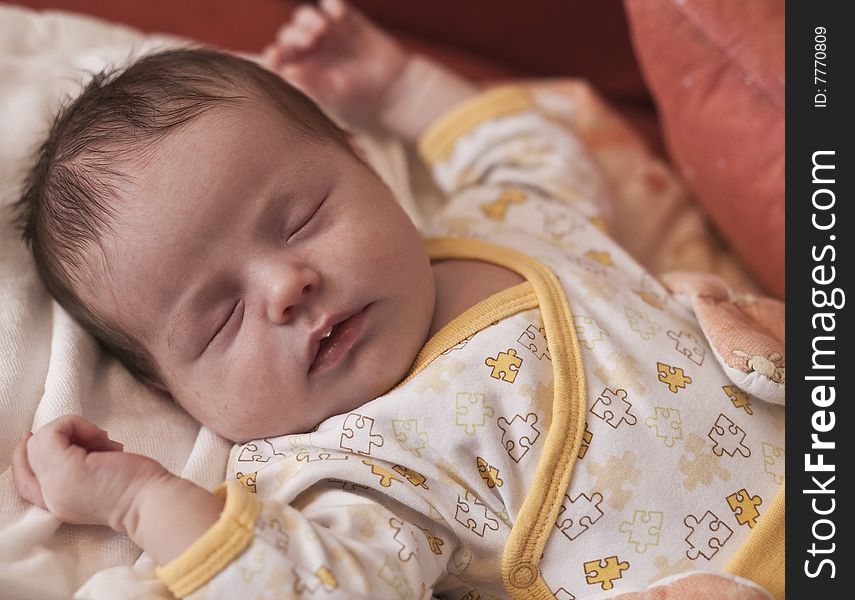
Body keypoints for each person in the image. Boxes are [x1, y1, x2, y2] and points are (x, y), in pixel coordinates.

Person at [11, 0, 784, 597]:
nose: (285, 287)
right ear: (166, 388)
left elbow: (529, 149)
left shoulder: (497, 218)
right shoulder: (352, 463)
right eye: (219, 319)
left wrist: (403, 85)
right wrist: (138, 499)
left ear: (370, 171)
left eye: (300, 219)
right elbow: (306, 587)